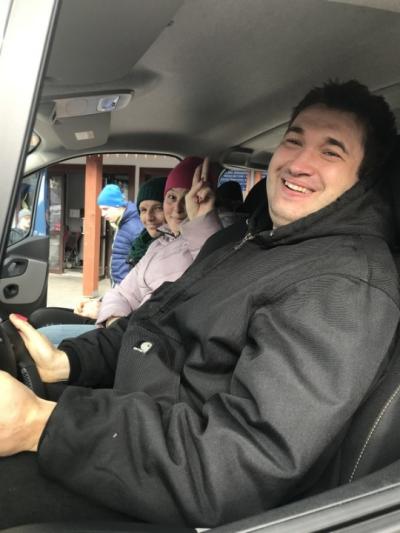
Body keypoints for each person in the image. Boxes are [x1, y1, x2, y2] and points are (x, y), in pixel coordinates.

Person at [1, 80, 399, 530]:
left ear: (364, 178)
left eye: (331, 151)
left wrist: (42, 425)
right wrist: (67, 362)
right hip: (135, 436)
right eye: (294, 141)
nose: (299, 163)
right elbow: (153, 325)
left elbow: (237, 466)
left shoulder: (342, 286)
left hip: (176, 489)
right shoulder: (245, 240)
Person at [35, 156, 222, 343]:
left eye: (191, 198)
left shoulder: (209, 247)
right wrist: (112, 318)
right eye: (171, 197)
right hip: (123, 325)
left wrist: (107, 315)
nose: (178, 208)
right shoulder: (159, 243)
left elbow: (214, 272)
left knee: (43, 334)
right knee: (41, 319)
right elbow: (124, 292)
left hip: (143, 341)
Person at [97, 183, 143, 285]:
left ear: (118, 206)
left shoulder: (133, 227)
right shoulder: (122, 223)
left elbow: (141, 262)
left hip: (127, 287)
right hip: (122, 285)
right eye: (101, 210)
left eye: (106, 209)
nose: (102, 214)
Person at [126, 176, 167, 268]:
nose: (149, 217)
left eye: (158, 208)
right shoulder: (139, 245)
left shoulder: (179, 251)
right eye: (143, 210)